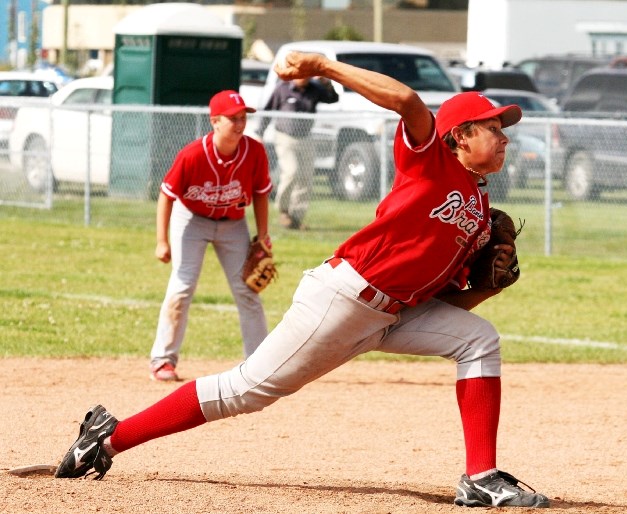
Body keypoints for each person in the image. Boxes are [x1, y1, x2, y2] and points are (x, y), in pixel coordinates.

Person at [54, 52, 550, 509]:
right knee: (245, 391)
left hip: (392, 315)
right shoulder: (430, 160)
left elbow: (446, 303)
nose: (504, 136)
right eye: (493, 126)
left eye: (504, 128)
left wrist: (491, 287)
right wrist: (323, 65)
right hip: (343, 299)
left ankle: (480, 477)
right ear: (460, 135)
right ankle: (110, 436)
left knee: (479, 341)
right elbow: (406, 100)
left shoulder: (481, 211)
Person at [148, 90, 273, 381]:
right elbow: (166, 196)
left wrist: (263, 235)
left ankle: (261, 363)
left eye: (243, 117)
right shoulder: (192, 155)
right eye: (233, 119)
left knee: (247, 290)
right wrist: (162, 240)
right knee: (182, 287)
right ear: (215, 121)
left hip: (233, 224)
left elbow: (261, 193)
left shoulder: (254, 152)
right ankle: (162, 360)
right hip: (191, 221)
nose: (240, 124)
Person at [263, 75, 338, 230]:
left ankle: (296, 218)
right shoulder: (282, 88)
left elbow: (333, 99)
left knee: (305, 177)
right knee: (291, 172)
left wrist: (326, 82)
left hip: (306, 137)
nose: (304, 78)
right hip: (285, 137)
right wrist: (259, 132)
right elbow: (268, 110)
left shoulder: (315, 88)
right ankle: (283, 211)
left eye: (307, 74)